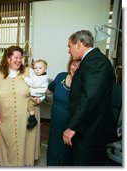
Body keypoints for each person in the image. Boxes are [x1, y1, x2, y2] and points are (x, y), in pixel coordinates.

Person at [63, 30, 114, 165]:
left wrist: (72, 127)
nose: (69, 50)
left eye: (69, 46)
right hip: (87, 127)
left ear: (79, 44)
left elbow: (90, 98)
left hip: (92, 130)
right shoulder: (89, 60)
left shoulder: (97, 61)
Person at [0, 46, 40, 166]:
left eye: (21, 58)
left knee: (24, 143)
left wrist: (37, 100)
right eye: (16, 57)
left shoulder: (29, 72)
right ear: (8, 59)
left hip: (25, 115)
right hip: (4, 117)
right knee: (7, 144)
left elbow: (40, 90)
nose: (19, 60)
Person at [47, 57, 80, 166]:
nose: (75, 68)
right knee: (53, 148)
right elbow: (49, 90)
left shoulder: (83, 84)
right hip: (56, 122)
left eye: (79, 66)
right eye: (73, 65)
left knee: (67, 152)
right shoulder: (61, 76)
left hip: (70, 125)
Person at [24, 59, 48, 129]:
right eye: (35, 68)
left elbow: (33, 84)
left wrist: (25, 79)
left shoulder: (42, 78)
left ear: (45, 69)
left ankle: (32, 119)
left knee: (29, 105)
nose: (37, 70)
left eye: (40, 68)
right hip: (39, 95)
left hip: (37, 95)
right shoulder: (40, 76)